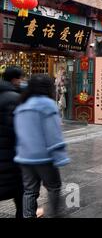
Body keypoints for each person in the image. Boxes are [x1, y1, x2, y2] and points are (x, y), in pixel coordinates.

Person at [14, 74, 70, 218]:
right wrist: (60, 156)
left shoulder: (22, 105)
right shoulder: (47, 104)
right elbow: (53, 134)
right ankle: (54, 214)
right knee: (54, 187)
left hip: (24, 156)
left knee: (29, 190)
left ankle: (27, 216)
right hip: (43, 157)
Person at [0, 66, 25, 218]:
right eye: (20, 78)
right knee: (21, 193)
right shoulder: (14, 99)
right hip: (11, 156)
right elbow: (19, 130)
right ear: (15, 79)